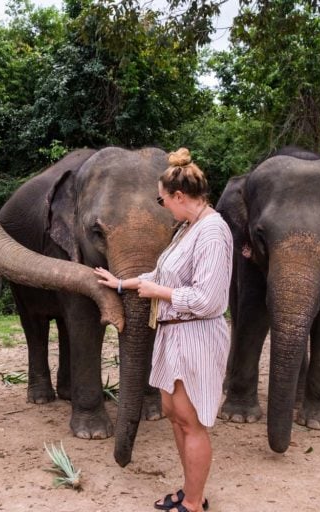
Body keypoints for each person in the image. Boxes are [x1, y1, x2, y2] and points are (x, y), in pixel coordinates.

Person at [94, 148, 232, 512]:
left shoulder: (213, 232)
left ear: (179, 196)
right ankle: (189, 493)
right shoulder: (187, 230)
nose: (162, 206)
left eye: (161, 199)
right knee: (176, 416)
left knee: (192, 422)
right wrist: (122, 284)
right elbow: (161, 275)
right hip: (173, 334)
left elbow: (210, 299)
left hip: (196, 335)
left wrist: (161, 293)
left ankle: (195, 500)